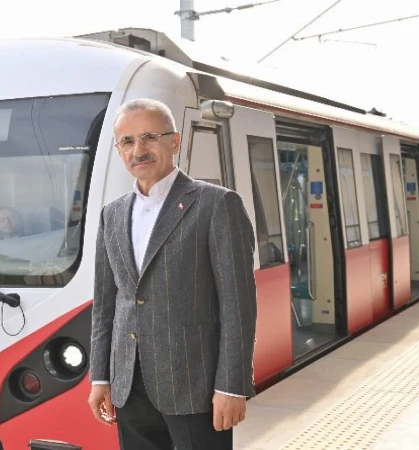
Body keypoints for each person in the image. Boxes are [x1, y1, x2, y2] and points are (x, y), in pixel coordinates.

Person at [87, 98, 257, 450]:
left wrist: (232, 386)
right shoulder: (112, 215)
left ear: (174, 142)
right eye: (128, 141)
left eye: (150, 137)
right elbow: (107, 304)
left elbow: (237, 306)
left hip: (196, 385)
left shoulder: (216, 205)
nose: (139, 150)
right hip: (129, 386)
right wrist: (101, 377)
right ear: (119, 150)